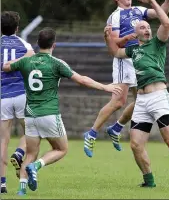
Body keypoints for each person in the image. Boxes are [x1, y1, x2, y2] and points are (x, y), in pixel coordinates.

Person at [2, 27, 123, 196]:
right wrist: (105, 86)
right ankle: (37, 166)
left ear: (37, 43)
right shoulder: (57, 63)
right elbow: (81, 80)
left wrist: (23, 57)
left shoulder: (25, 62)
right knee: (61, 149)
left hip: (30, 115)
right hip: (49, 114)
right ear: (54, 45)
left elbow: (6, 67)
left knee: (30, 152)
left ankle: (21, 189)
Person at [103, 0, 169, 190]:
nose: (147, 29)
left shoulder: (157, 43)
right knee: (136, 144)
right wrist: (107, 37)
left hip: (159, 97)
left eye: (148, 27)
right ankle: (149, 180)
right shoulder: (133, 49)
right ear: (135, 34)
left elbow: (166, 23)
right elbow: (114, 52)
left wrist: (153, 1)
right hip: (142, 102)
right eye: (142, 28)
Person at [84, 0, 169, 157]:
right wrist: (129, 36)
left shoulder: (138, 10)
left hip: (140, 58)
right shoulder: (115, 16)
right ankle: (92, 133)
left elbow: (160, 13)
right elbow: (115, 44)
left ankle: (116, 128)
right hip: (124, 59)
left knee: (142, 99)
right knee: (119, 101)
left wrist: (168, 0)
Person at [1, 11, 35, 193]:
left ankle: (2, 184)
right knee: (31, 132)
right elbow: (32, 59)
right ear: (17, 28)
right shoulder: (24, 44)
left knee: (2, 141)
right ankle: (20, 153)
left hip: (3, 97)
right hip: (22, 94)